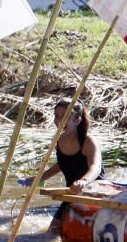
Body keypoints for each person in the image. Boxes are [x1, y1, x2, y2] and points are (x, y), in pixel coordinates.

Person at [30, 100, 106, 233]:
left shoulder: (88, 141)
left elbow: (96, 167)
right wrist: (40, 179)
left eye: (65, 117)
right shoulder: (59, 140)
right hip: (71, 193)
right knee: (52, 231)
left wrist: (83, 181)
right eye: (57, 116)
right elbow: (63, 163)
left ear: (77, 120)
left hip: (93, 191)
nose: (59, 121)